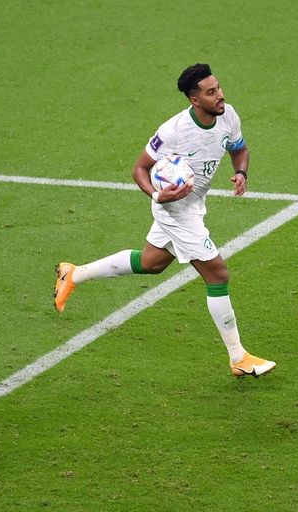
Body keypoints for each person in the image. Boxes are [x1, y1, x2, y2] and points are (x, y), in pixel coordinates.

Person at [54, 63, 275, 377]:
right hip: (175, 210)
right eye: (211, 92)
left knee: (152, 263)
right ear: (194, 100)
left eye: (219, 88)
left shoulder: (228, 116)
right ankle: (238, 358)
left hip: (194, 204)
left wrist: (241, 173)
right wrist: (158, 196)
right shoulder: (173, 131)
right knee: (217, 275)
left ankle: (74, 274)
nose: (220, 95)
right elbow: (139, 169)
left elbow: (239, 150)